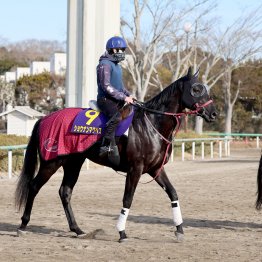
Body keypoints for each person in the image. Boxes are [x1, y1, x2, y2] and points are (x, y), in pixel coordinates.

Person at [97, 36, 134, 157]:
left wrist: (129, 96)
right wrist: (124, 98)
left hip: (116, 99)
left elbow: (121, 87)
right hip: (105, 100)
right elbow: (106, 86)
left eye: (123, 50)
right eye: (120, 50)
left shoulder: (117, 66)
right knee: (117, 117)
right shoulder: (104, 64)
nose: (122, 53)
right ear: (113, 50)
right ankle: (105, 145)